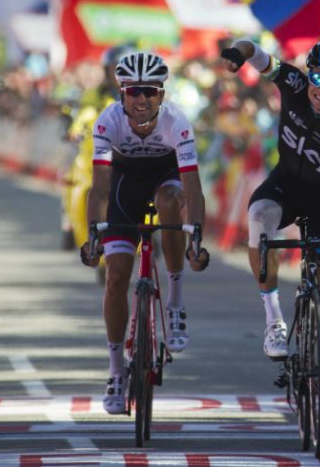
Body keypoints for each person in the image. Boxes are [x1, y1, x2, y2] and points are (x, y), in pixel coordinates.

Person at [221, 38, 320, 420]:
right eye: (317, 77)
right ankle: (274, 320)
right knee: (258, 220)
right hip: (285, 186)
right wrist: (237, 55)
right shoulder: (292, 83)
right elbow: (255, 50)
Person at [80, 51, 211, 414]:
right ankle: (116, 371)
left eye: (150, 92)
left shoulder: (177, 123)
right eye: (134, 91)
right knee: (116, 276)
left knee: (171, 202)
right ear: (121, 93)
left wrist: (195, 238)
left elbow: (194, 190)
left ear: (162, 96)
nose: (141, 99)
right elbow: (101, 189)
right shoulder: (107, 122)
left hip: (165, 178)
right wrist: (93, 236)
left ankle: (175, 301)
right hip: (124, 185)